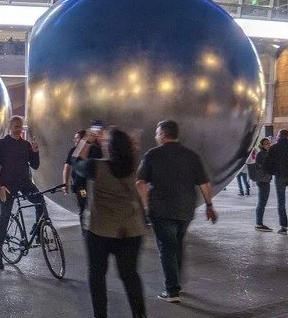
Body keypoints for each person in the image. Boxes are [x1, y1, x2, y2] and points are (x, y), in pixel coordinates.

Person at [136, 118, 216, 302]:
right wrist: (209, 205)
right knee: (178, 243)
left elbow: (140, 181)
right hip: (186, 209)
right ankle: (177, 281)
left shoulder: (152, 155)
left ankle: (171, 291)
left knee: (166, 247)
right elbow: (204, 183)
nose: (156, 136)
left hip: (161, 210)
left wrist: (146, 204)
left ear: (163, 135)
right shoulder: (191, 155)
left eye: (157, 133)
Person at [75, 127, 148, 318]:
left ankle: (101, 315)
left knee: (97, 276)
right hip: (131, 231)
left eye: (105, 142)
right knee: (130, 276)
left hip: (100, 231)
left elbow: (76, 164)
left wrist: (87, 142)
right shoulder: (134, 166)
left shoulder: (96, 167)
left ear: (110, 147)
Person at [0, 115, 44, 270]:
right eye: (16, 127)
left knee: (40, 201)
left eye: (21, 127)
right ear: (10, 127)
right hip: (7, 186)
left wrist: (35, 152)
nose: (19, 130)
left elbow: (35, 166)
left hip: (25, 183)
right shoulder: (1, 144)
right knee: (5, 217)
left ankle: (37, 230)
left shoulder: (26, 144)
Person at [248, 137, 274, 231]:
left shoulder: (264, 153)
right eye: (266, 144)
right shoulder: (262, 154)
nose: (268, 145)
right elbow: (267, 166)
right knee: (262, 202)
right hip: (263, 181)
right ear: (262, 145)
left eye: (269, 143)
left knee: (262, 202)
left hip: (264, 180)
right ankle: (259, 224)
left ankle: (259, 223)